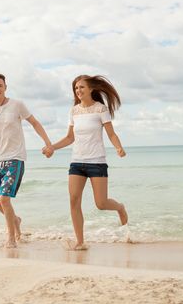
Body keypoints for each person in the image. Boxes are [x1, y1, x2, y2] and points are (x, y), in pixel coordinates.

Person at [43, 75, 128, 250]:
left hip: (97, 162)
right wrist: (52, 147)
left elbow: (111, 133)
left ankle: (120, 207)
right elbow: (69, 138)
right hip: (76, 162)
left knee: (101, 204)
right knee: (74, 200)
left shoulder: (100, 109)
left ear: (91, 89)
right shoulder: (74, 111)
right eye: (76, 88)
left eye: (82, 87)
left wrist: (118, 147)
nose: (78, 91)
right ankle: (80, 242)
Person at [0, 73, 53, 248]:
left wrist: (48, 143)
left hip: (15, 158)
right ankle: (15, 220)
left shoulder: (17, 105)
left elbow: (35, 123)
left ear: (5, 87)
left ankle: (11, 238)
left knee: (4, 199)